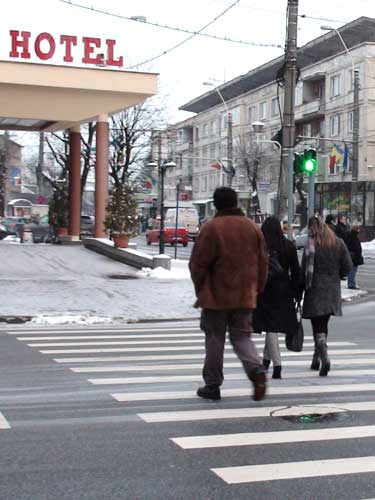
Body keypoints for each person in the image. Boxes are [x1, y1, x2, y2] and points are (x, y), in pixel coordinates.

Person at [189, 187, 268, 401]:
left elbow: (197, 264)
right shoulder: (252, 228)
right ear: (236, 203)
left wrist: (202, 289)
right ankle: (256, 369)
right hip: (245, 295)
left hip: (216, 296)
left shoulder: (212, 228)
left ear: (215, 205)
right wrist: (257, 289)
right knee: (242, 336)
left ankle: (212, 385)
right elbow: (263, 262)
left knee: (214, 339)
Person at [302, 216, 352, 376]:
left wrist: (300, 286)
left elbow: (304, 268)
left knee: (317, 324)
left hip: (315, 288)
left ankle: (323, 357)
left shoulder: (311, 244)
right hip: (332, 289)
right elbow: (348, 265)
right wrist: (339, 276)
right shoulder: (338, 242)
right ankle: (316, 358)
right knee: (323, 323)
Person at [253, 217, 301, 379]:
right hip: (284, 292)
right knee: (271, 327)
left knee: (270, 327)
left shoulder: (260, 247)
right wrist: (296, 293)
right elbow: (296, 272)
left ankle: (277, 365)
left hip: (265, 292)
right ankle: (266, 362)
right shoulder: (288, 247)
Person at [346, 225, 364, 289]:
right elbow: (356, 247)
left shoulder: (350, 236)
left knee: (352, 271)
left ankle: (351, 283)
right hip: (354, 257)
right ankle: (351, 284)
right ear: (356, 230)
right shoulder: (353, 237)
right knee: (352, 271)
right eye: (358, 229)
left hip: (352, 256)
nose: (359, 231)